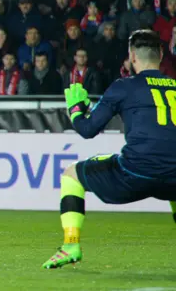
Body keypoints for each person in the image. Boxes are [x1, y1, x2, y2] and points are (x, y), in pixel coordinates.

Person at [42, 30, 176, 269]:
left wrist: (75, 110)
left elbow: (87, 129)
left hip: (136, 174)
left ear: (132, 56)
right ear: (162, 54)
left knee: (72, 174)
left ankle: (70, 245)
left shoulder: (123, 86)